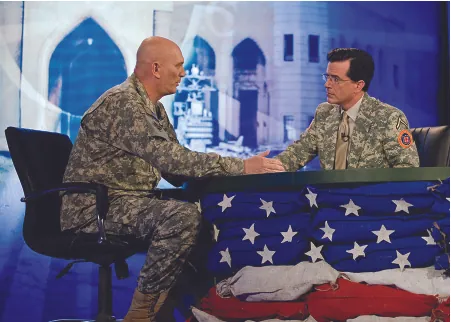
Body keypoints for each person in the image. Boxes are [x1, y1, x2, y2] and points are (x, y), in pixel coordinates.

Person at [60, 36, 285, 321]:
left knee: (202, 213)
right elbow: (172, 159)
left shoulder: (153, 107)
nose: (183, 73)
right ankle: (142, 315)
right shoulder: (124, 103)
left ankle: (189, 309)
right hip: (95, 209)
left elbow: (176, 170)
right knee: (180, 218)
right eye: (178, 66)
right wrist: (240, 166)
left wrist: (231, 168)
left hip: (121, 202)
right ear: (155, 69)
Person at [275, 48, 420, 171]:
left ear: (358, 85)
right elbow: (296, 154)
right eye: (327, 77)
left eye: (335, 79)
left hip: (369, 201)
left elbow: (408, 167)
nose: (327, 85)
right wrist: (262, 168)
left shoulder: (389, 117)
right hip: (329, 200)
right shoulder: (324, 113)